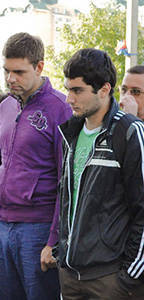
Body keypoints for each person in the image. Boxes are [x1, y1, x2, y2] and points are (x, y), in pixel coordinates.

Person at [0, 32, 72, 300]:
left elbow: (66, 179)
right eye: (6, 71)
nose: (10, 78)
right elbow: (0, 163)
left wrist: (53, 239)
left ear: (39, 67)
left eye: (19, 72)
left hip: (37, 226)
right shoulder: (5, 107)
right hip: (0, 223)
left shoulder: (61, 108)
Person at [58, 48, 144, 299]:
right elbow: (67, 199)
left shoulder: (129, 132)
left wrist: (129, 277)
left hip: (110, 280)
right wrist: (59, 252)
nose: (69, 99)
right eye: (68, 89)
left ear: (104, 90)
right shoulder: (71, 133)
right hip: (70, 276)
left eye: (77, 90)